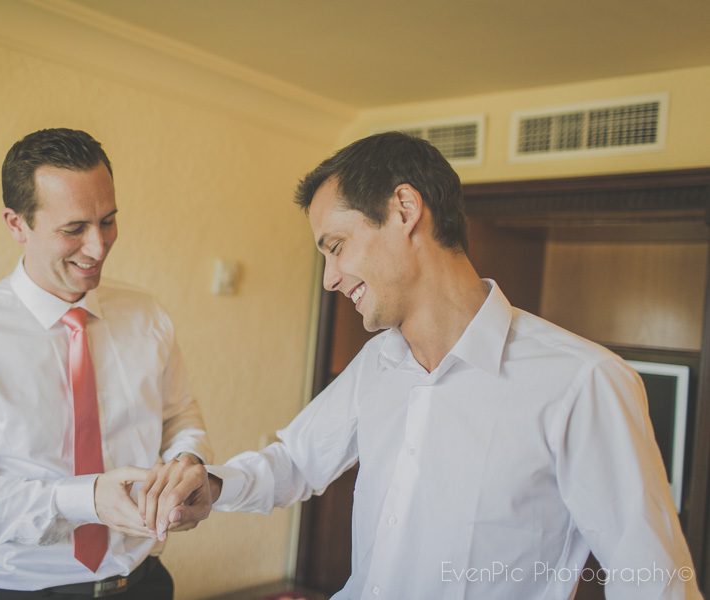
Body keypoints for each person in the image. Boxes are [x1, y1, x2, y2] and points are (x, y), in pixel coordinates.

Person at [143, 132, 702, 599]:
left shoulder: (583, 383)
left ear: (405, 210)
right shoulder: (376, 365)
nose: (330, 278)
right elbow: (294, 461)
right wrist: (212, 486)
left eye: (336, 246)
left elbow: (654, 582)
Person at [0, 128, 211, 600]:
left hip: (143, 585)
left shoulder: (146, 314)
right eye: (74, 229)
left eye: (107, 221)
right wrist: (83, 499)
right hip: (20, 592)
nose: (97, 247)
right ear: (16, 224)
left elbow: (179, 417)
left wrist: (187, 463)